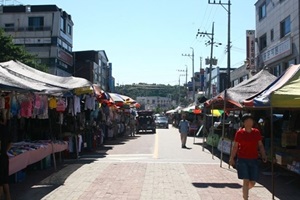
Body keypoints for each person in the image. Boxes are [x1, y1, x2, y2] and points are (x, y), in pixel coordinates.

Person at [229, 113, 267, 200]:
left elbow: (260, 145)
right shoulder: (239, 133)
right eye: (247, 120)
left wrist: (263, 154)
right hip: (242, 159)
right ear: (244, 122)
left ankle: (244, 190)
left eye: (251, 120)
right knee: (246, 180)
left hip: (253, 159)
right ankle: (245, 197)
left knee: (253, 182)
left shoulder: (256, 132)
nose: (250, 122)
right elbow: (235, 146)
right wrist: (232, 158)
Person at [0, 109, 11, 200]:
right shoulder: (5, 129)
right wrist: (4, 151)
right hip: (4, 156)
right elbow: (10, 143)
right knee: (5, 180)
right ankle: (8, 197)